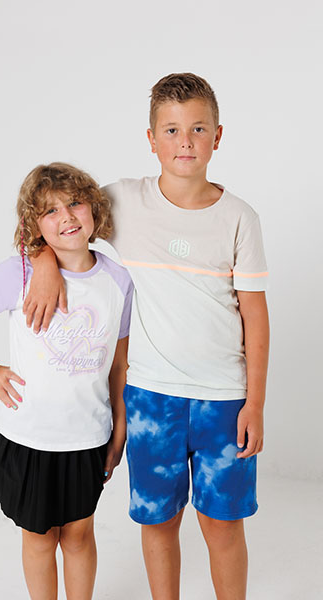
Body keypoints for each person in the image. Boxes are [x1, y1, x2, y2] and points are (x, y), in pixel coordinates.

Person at [23, 73, 270, 600]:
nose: (186, 142)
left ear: (218, 136)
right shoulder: (122, 201)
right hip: (151, 397)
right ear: (152, 138)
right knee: (158, 520)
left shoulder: (239, 218)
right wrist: (43, 260)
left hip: (224, 399)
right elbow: (60, 221)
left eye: (198, 128)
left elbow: (255, 314)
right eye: (172, 130)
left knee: (223, 525)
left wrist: (255, 402)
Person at [0, 162, 133, 600]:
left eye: (75, 203)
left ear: (94, 208)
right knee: (39, 537)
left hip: (87, 436)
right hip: (28, 435)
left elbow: (119, 365)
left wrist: (120, 427)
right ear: (35, 225)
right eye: (50, 211)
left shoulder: (118, 281)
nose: (66, 216)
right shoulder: (21, 274)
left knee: (79, 535)